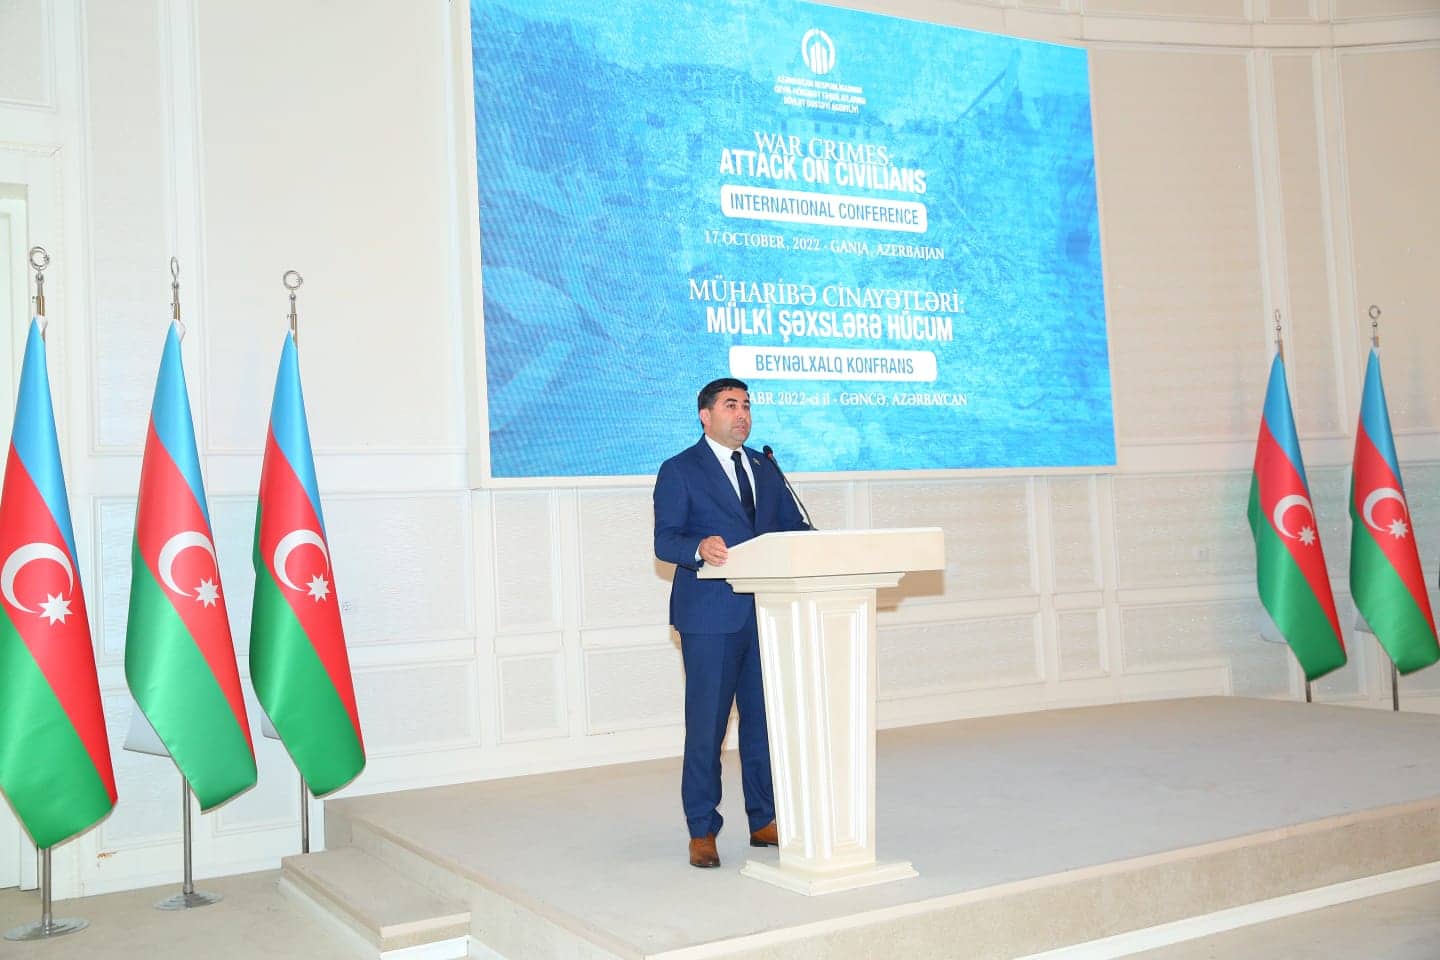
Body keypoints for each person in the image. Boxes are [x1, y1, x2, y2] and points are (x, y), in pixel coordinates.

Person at [653, 377, 809, 868]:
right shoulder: (680, 469)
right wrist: (698, 548)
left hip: (764, 614)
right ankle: (702, 828)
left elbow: (793, 530)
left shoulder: (765, 467)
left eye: (746, 405)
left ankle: (764, 818)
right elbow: (665, 540)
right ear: (706, 415)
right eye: (730, 405)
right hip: (709, 617)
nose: (742, 414)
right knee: (708, 728)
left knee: (762, 725)